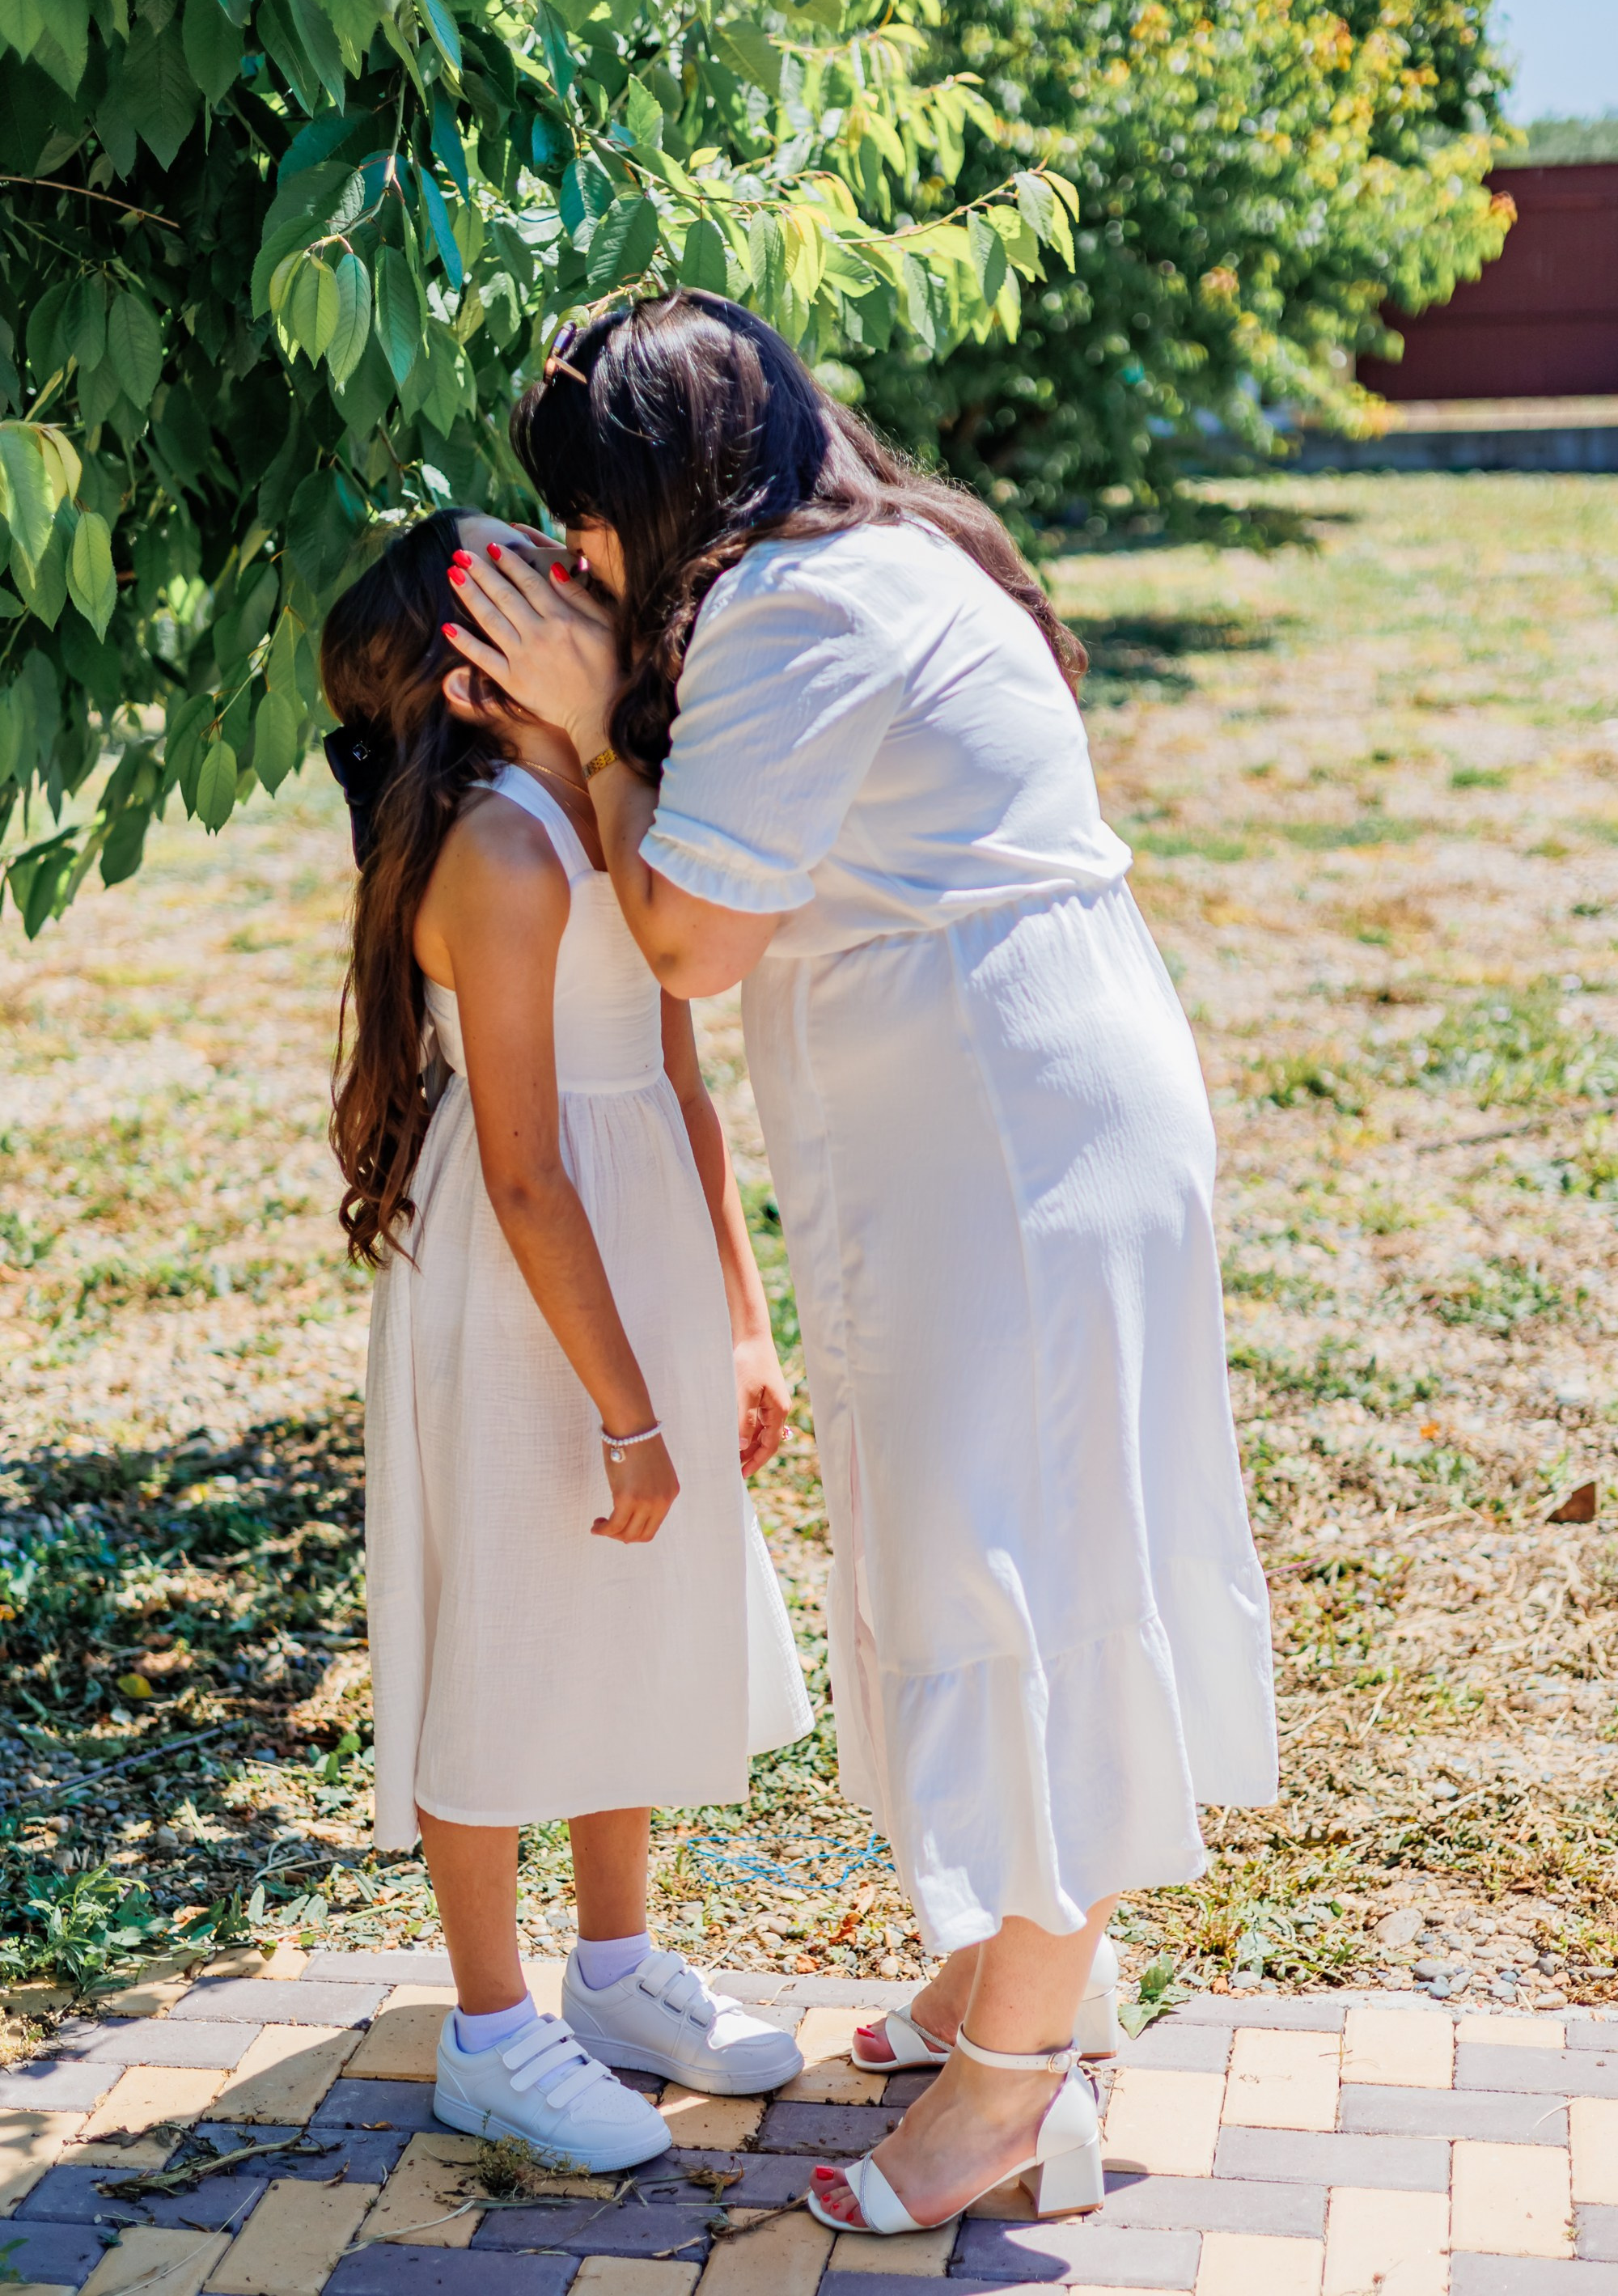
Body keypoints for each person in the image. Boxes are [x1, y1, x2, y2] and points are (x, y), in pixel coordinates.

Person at [443, 292, 1279, 2236]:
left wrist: (579, 721)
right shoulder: (874, 555)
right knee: (988, 1552)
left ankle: (1012, 2095)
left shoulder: (791, 615)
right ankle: (1009, 1984)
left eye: (583, 517)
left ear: (653, 489)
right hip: (998, 1121)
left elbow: (683, 941)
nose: (575, 559)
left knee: (1024, 1576)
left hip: (1001, 1142)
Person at [323, 506, 812, 2171]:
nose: (590, 594)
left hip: (643, 1253)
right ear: (476, 676)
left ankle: (613, 1970)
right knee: (513, 1628)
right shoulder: (501, 852)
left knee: (621, 1611)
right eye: (546, 587)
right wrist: (620, 1406)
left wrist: (738, 1328)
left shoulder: (606, 815)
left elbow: (680, 1083)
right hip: (533, 1282)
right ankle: (486, 2027)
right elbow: (526, 1171)